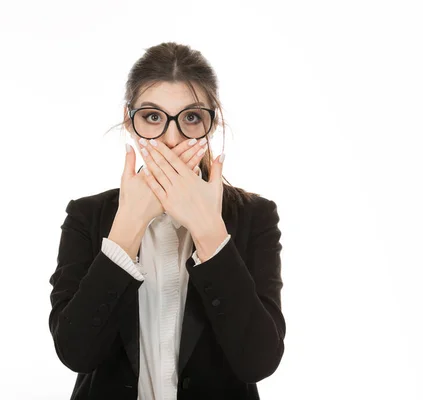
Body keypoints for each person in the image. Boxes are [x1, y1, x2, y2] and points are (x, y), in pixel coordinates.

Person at [48, 41, 286, 400]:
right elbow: (76, 353)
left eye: (191, 118)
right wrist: (127, 227)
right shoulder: (88, 215)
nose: (171, 138)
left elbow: (258, 362)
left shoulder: (255, 216)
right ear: (130, 122)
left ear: (211, 122)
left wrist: (209, 231)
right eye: (153, 117)